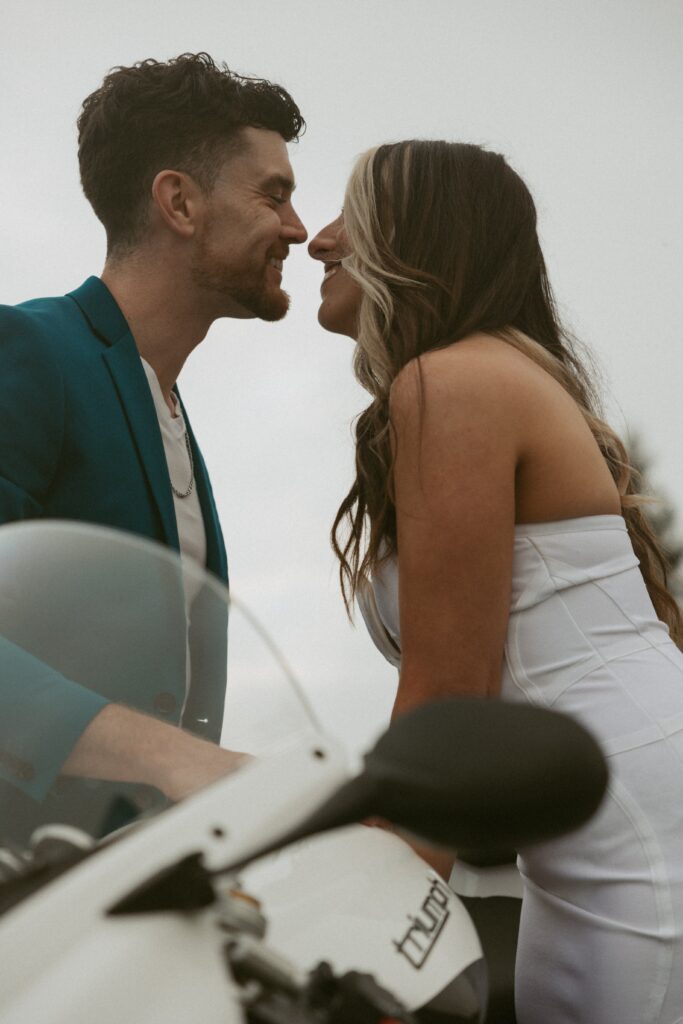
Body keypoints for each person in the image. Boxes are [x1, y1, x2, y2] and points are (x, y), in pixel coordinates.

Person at [308, 141, 683, 1023]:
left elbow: (447, 696)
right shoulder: (482, 375)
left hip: (625, 824)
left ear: (415, 240)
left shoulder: (453, 382)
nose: (321, 241)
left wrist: (364, 917)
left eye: (349, 216)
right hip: (595, 809)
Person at [0, 53, 307, 838]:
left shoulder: (165, 401)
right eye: (274, 195)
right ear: (179, 202)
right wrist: (171, 758)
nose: (297, 230)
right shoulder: (30, 350)